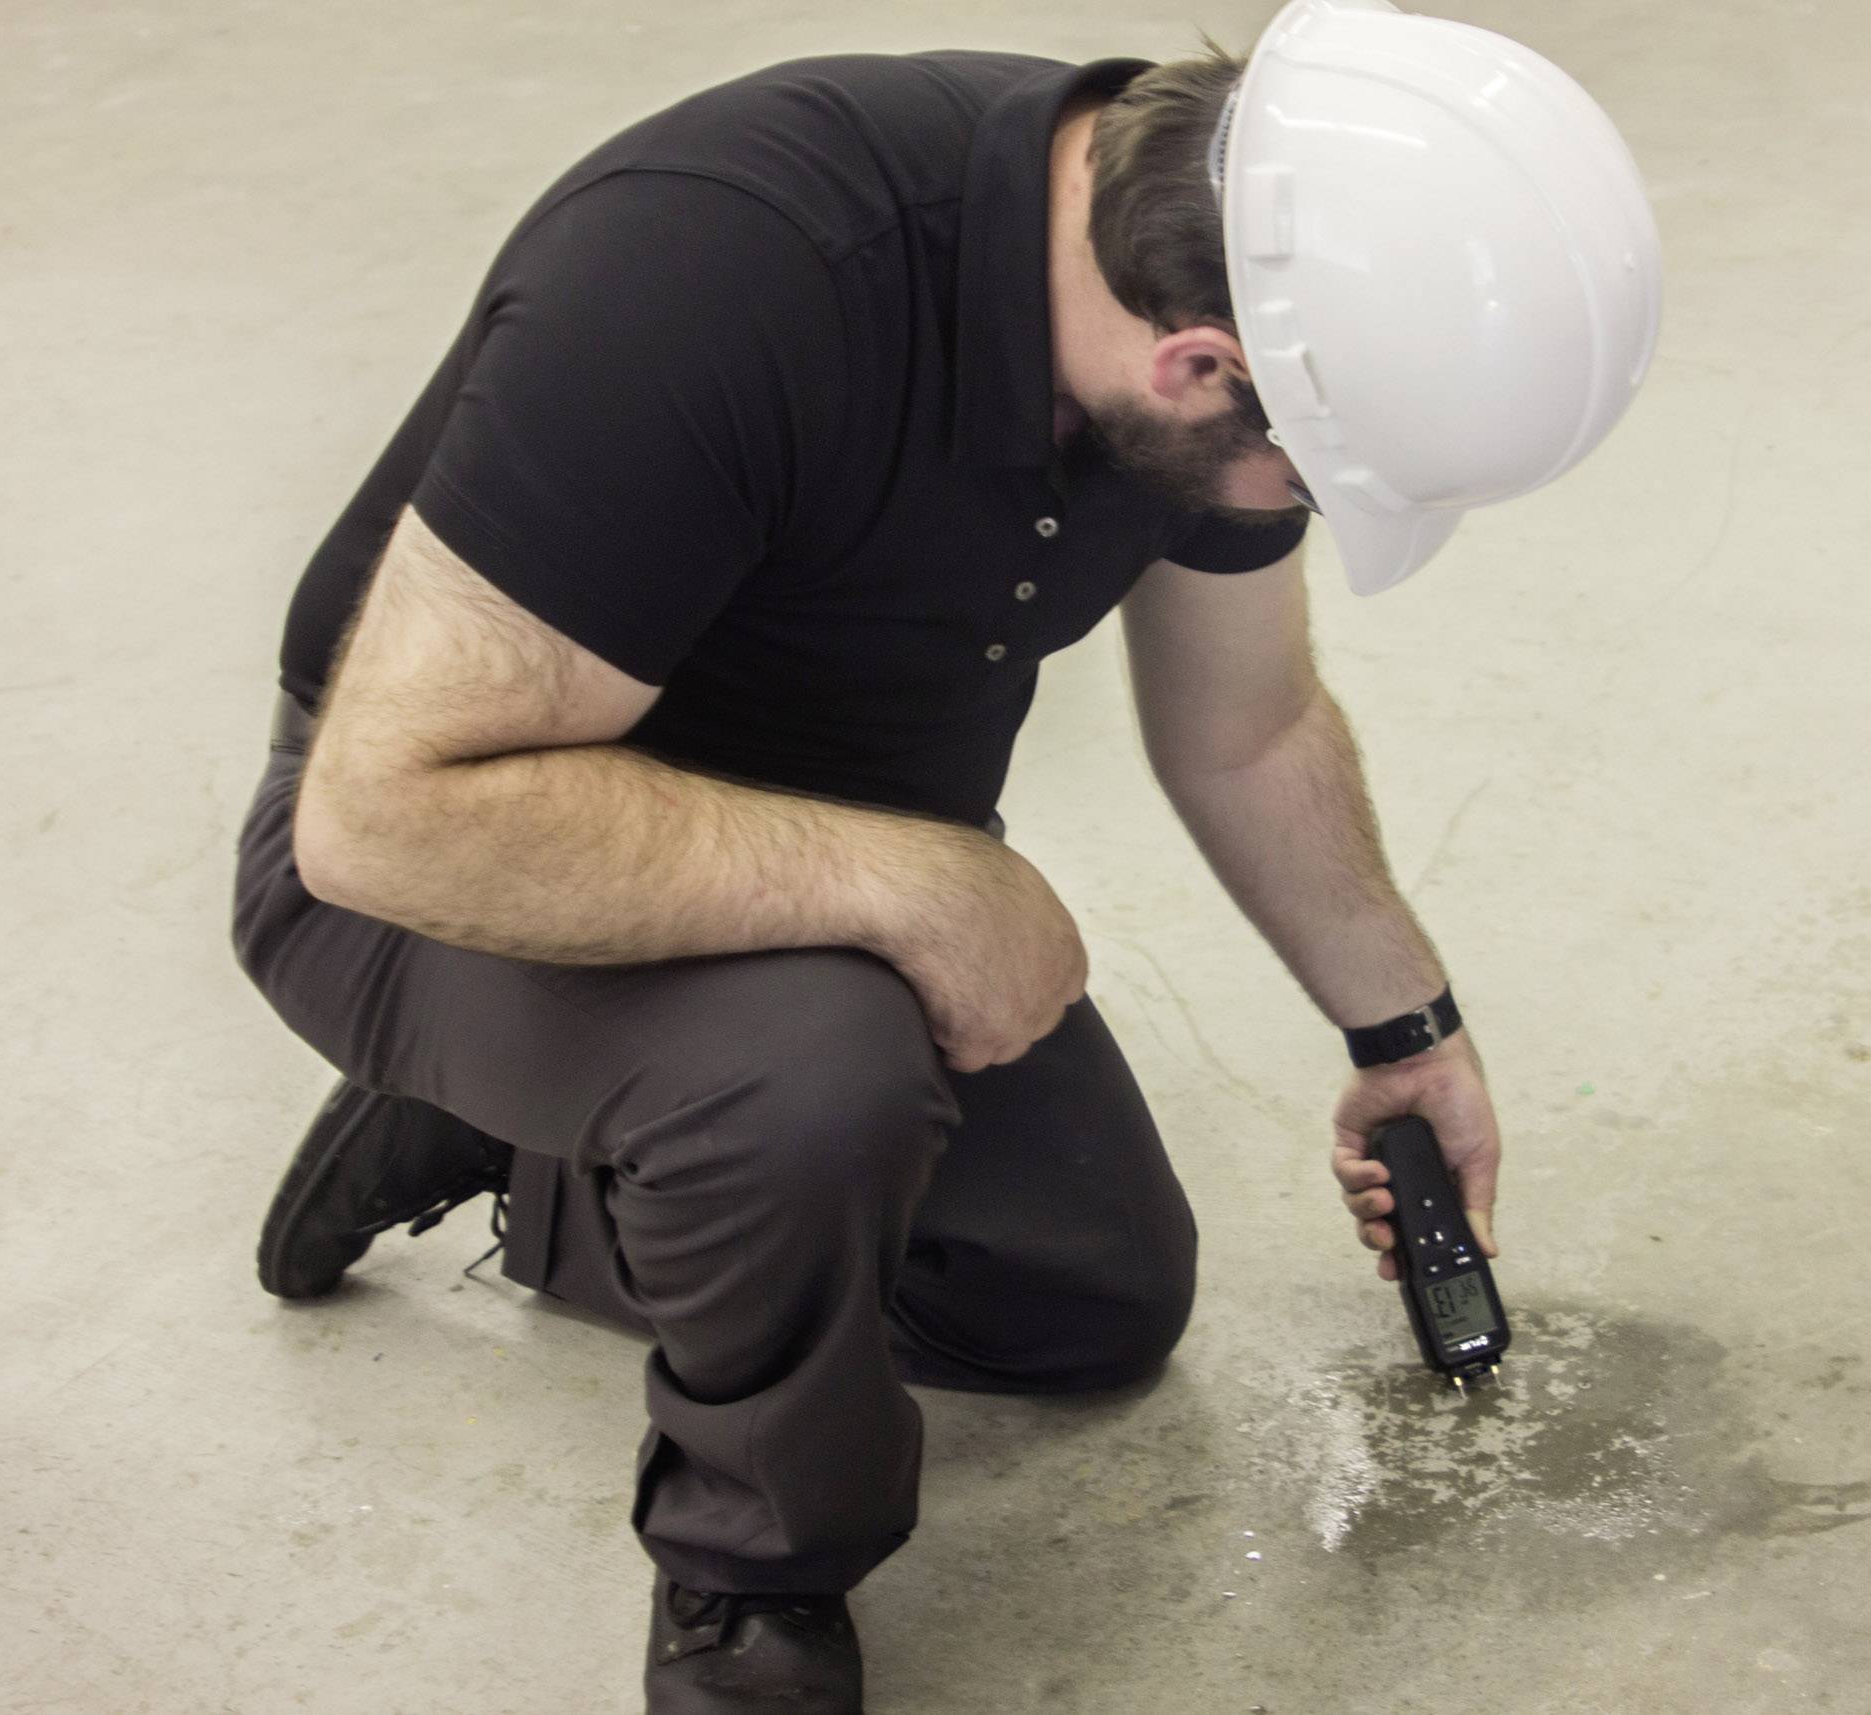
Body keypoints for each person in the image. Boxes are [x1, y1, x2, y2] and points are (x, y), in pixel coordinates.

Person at [227, 1, 1660, 1708]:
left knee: (1083, 1302)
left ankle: (526, 1140)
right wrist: (925, 883)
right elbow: (385, 815)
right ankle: (751, 1585)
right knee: (807, 1080)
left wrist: (1407, 1032)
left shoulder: (1207, 285)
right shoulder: (719, 269)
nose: (1305, 506)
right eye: (1315, 475)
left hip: (816, 853)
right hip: (445, 870)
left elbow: (1249, 727)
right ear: (1200, 366)